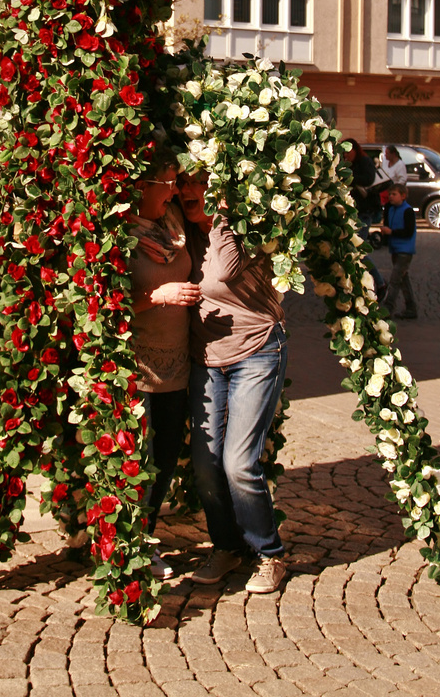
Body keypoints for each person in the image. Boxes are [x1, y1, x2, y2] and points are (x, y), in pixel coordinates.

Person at [177, 171, 288, 595]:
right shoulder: (182, 231)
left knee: (239, 464)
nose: (189, 192)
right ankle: (226, 546)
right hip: (206, 357)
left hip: (257, 349)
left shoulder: (247, 226)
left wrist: (223, 216)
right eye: (183, 182)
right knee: (205, 466)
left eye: (200, 183)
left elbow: (222, 271)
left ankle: (269, 554)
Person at [128, 147, 202, 579]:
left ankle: (147, 534)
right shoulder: (120, 235)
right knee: (143, 461)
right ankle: (133, 547)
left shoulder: (172, 227)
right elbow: (104, 306)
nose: (175, 192)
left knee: (168, 458)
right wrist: (158, 296)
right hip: (140, 368)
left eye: (176, 182)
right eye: (168, 183)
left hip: (177, 366)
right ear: (141, 187)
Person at [343, 139, 387, 299]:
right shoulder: (349, 164)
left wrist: (348, 176)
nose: (346, 155)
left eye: (348, 151)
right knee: (353, 250)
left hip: (365, 211)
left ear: (356, 150)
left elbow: (368, 179)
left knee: (358, 250)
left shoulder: (364, 162)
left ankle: (379, 282)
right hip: (354, 212)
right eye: (344, 152)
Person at [379, 183, 417, 319]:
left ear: (403, 196)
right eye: (390, 194)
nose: (391, 197)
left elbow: (408, 231)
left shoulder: (408, 211)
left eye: (394, 194)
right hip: (395, 248)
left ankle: (388, 308)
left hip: (405, 250)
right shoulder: (391, 209)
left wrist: (391, 232)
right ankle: (411, 307)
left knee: (395, 279)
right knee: (402, 279)